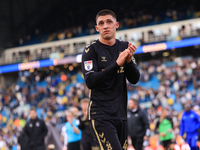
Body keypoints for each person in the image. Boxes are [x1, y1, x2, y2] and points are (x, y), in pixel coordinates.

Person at [81, 9, 140, 150]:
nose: (105, 26)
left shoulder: (125, 47)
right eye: (101, 23)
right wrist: (116, 64)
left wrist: (129, 62)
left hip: (121, 115)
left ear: (117, 25)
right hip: (100, 115)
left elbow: (135, 79)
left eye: (109, 22)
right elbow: (90, 81)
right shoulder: (90, 51)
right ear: (97, 28)